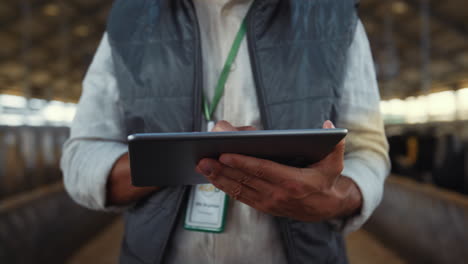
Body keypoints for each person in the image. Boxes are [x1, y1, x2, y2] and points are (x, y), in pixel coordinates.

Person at [61, 0, 390, 263]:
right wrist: (191, 156)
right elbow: (82, 157)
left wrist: (338, 198)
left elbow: (368, 148)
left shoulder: (333, 16)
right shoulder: (130, 21)